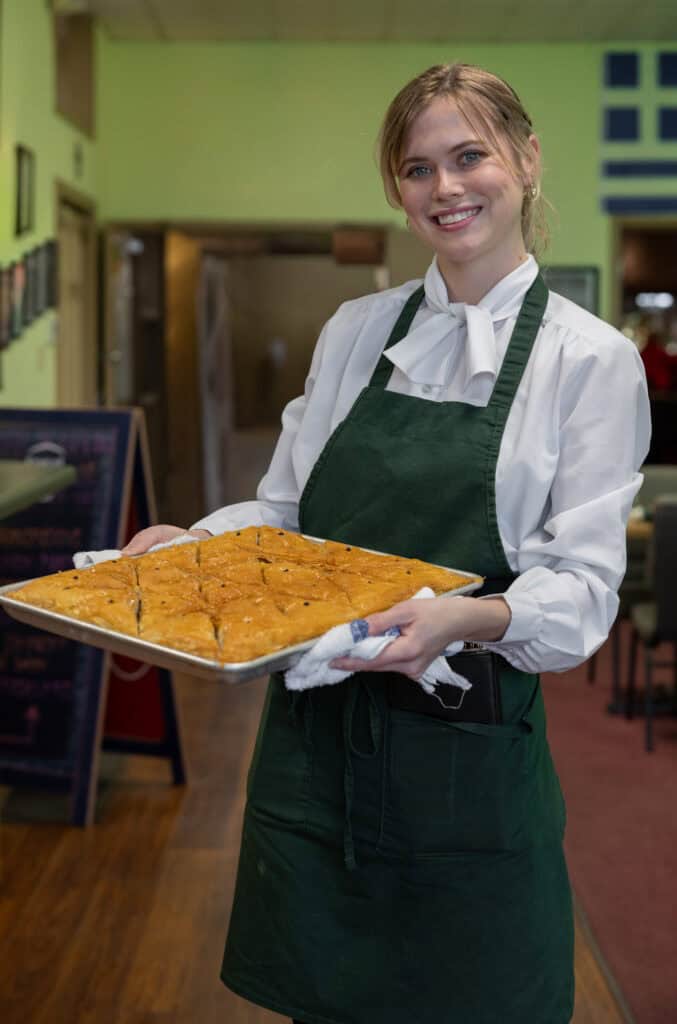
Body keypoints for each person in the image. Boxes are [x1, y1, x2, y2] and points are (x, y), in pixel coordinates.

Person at [124, 63, 650, 1024]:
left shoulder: (591, 360)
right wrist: (190, 548)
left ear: (525, 162)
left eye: (468, 157)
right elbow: (284, 517)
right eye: (416, 169)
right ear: (397, 192)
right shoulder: (357, 331)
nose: (444, 188)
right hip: (314, 748)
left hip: (464, 760)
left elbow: (580, 596)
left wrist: (462, 616)